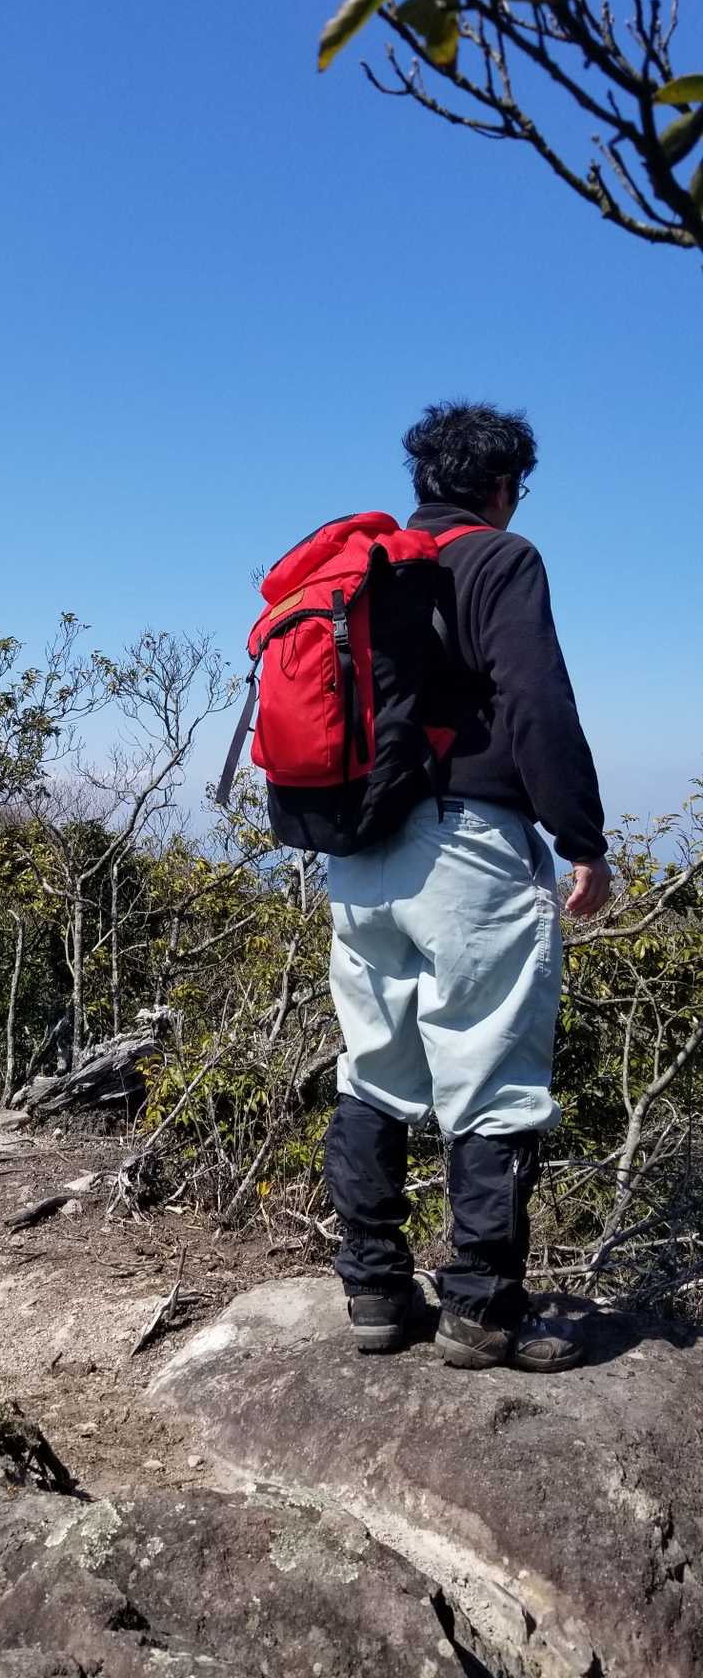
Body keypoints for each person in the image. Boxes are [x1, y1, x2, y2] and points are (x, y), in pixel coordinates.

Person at [324, 402, 611, 1372]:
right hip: (469, 845)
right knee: (490, 1075)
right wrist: (583, 839)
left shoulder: (369, 567)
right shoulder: (502, 558)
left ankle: (374, 1292)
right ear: (501, 486)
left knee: (373, 1069)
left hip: (359, 848)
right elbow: (536, 698)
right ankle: (480, 1313)